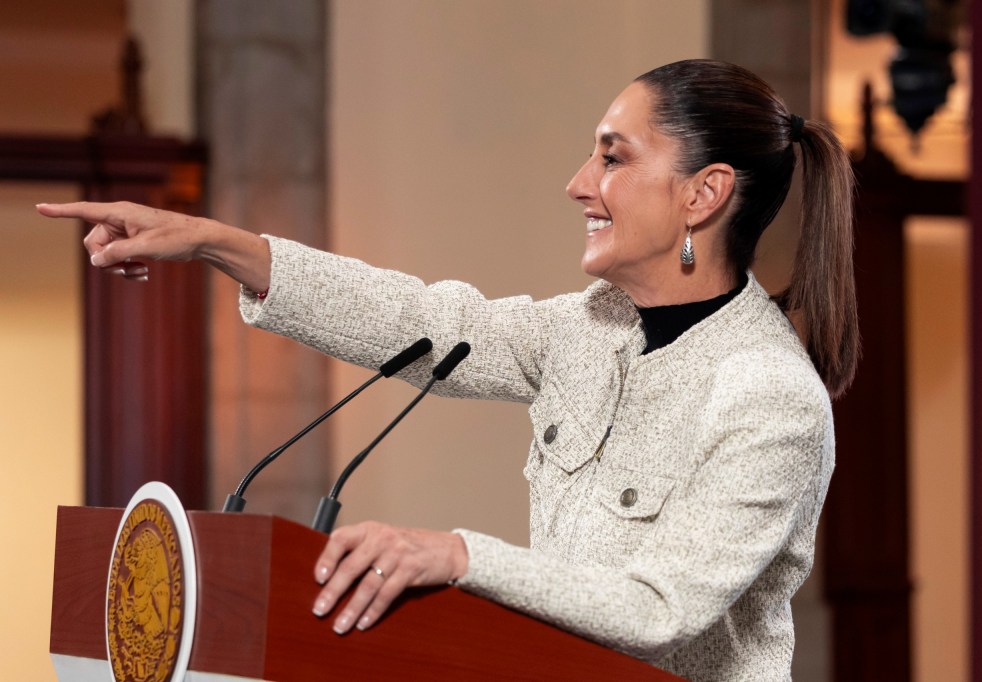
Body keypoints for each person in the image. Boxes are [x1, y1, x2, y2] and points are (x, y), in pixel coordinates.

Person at [38, 59, 857, 681]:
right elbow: (431, 324)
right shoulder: (590, 330)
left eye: (612, 158)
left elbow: (659, 607)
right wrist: (215, 241)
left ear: (703, 194)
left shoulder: (769, 397)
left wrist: (460, 556)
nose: (579, 184)